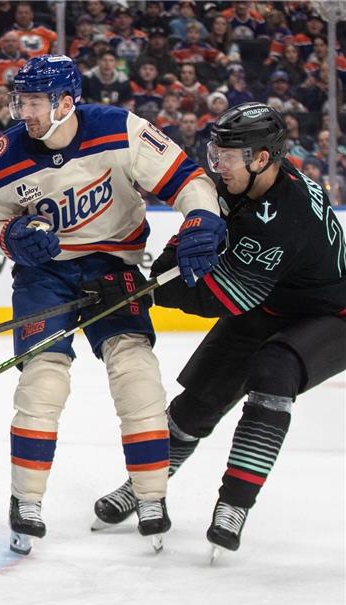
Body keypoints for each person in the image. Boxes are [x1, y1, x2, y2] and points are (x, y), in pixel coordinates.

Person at [0, 55, 220, 555]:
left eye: (35, 101)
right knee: (43, 380)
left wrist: (200, 218)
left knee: (136, 372)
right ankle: (25, 501)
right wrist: (15, 237)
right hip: (44, 275)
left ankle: (151, 496)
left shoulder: (120, 129)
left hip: (113, 267)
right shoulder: (3, 153)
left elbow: (188, 180)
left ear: (67, 102)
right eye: (20, 100)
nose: (24, 111)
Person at [90, 103, 346, 557]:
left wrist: (144, 294)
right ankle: (143, 485)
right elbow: (189, 245)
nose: (217, 164)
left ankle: (234, 504)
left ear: (262, 158)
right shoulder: (237, 186)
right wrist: (152, 278)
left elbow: (222, 299)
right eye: (216, 152)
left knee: (274, 370)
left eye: (229, 156)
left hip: (330, 316)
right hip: (270, 302)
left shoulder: (288, 216)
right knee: (198, 402)